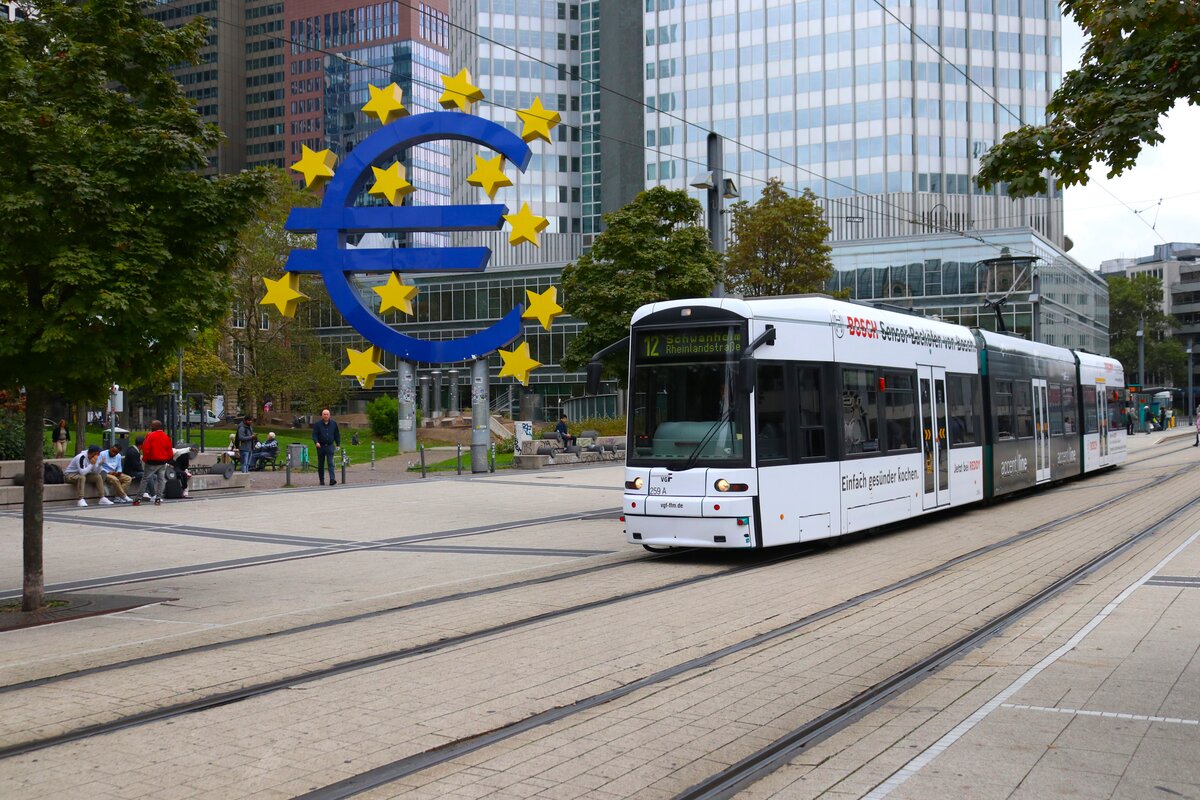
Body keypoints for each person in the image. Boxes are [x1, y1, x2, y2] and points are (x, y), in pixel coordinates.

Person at [140, 420, 174, 506]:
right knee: (161, 480)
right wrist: (167, 459)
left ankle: (138, 498)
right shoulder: (166, 437)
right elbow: (169, 451)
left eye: (152, 425)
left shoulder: (150, 435)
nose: (151, 427)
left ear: (155, 426)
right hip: (162, 462)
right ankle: (158, 498)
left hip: (152, 461)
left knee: (145, 479)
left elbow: (146, 448)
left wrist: (145, 459)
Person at [311, 408, 341, 486]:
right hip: (320, 446)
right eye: (324, 414)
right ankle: (321, 480)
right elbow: (314, 435)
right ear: (322, 415)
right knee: (321, 464)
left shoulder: (334, 424)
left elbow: (337, 434)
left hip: (330, 446)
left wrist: (338, 444)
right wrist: (316, 442)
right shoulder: (318, 424)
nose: (326, 416)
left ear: (329, 415)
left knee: (330, 463)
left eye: (327, 414)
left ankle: (332, 479)